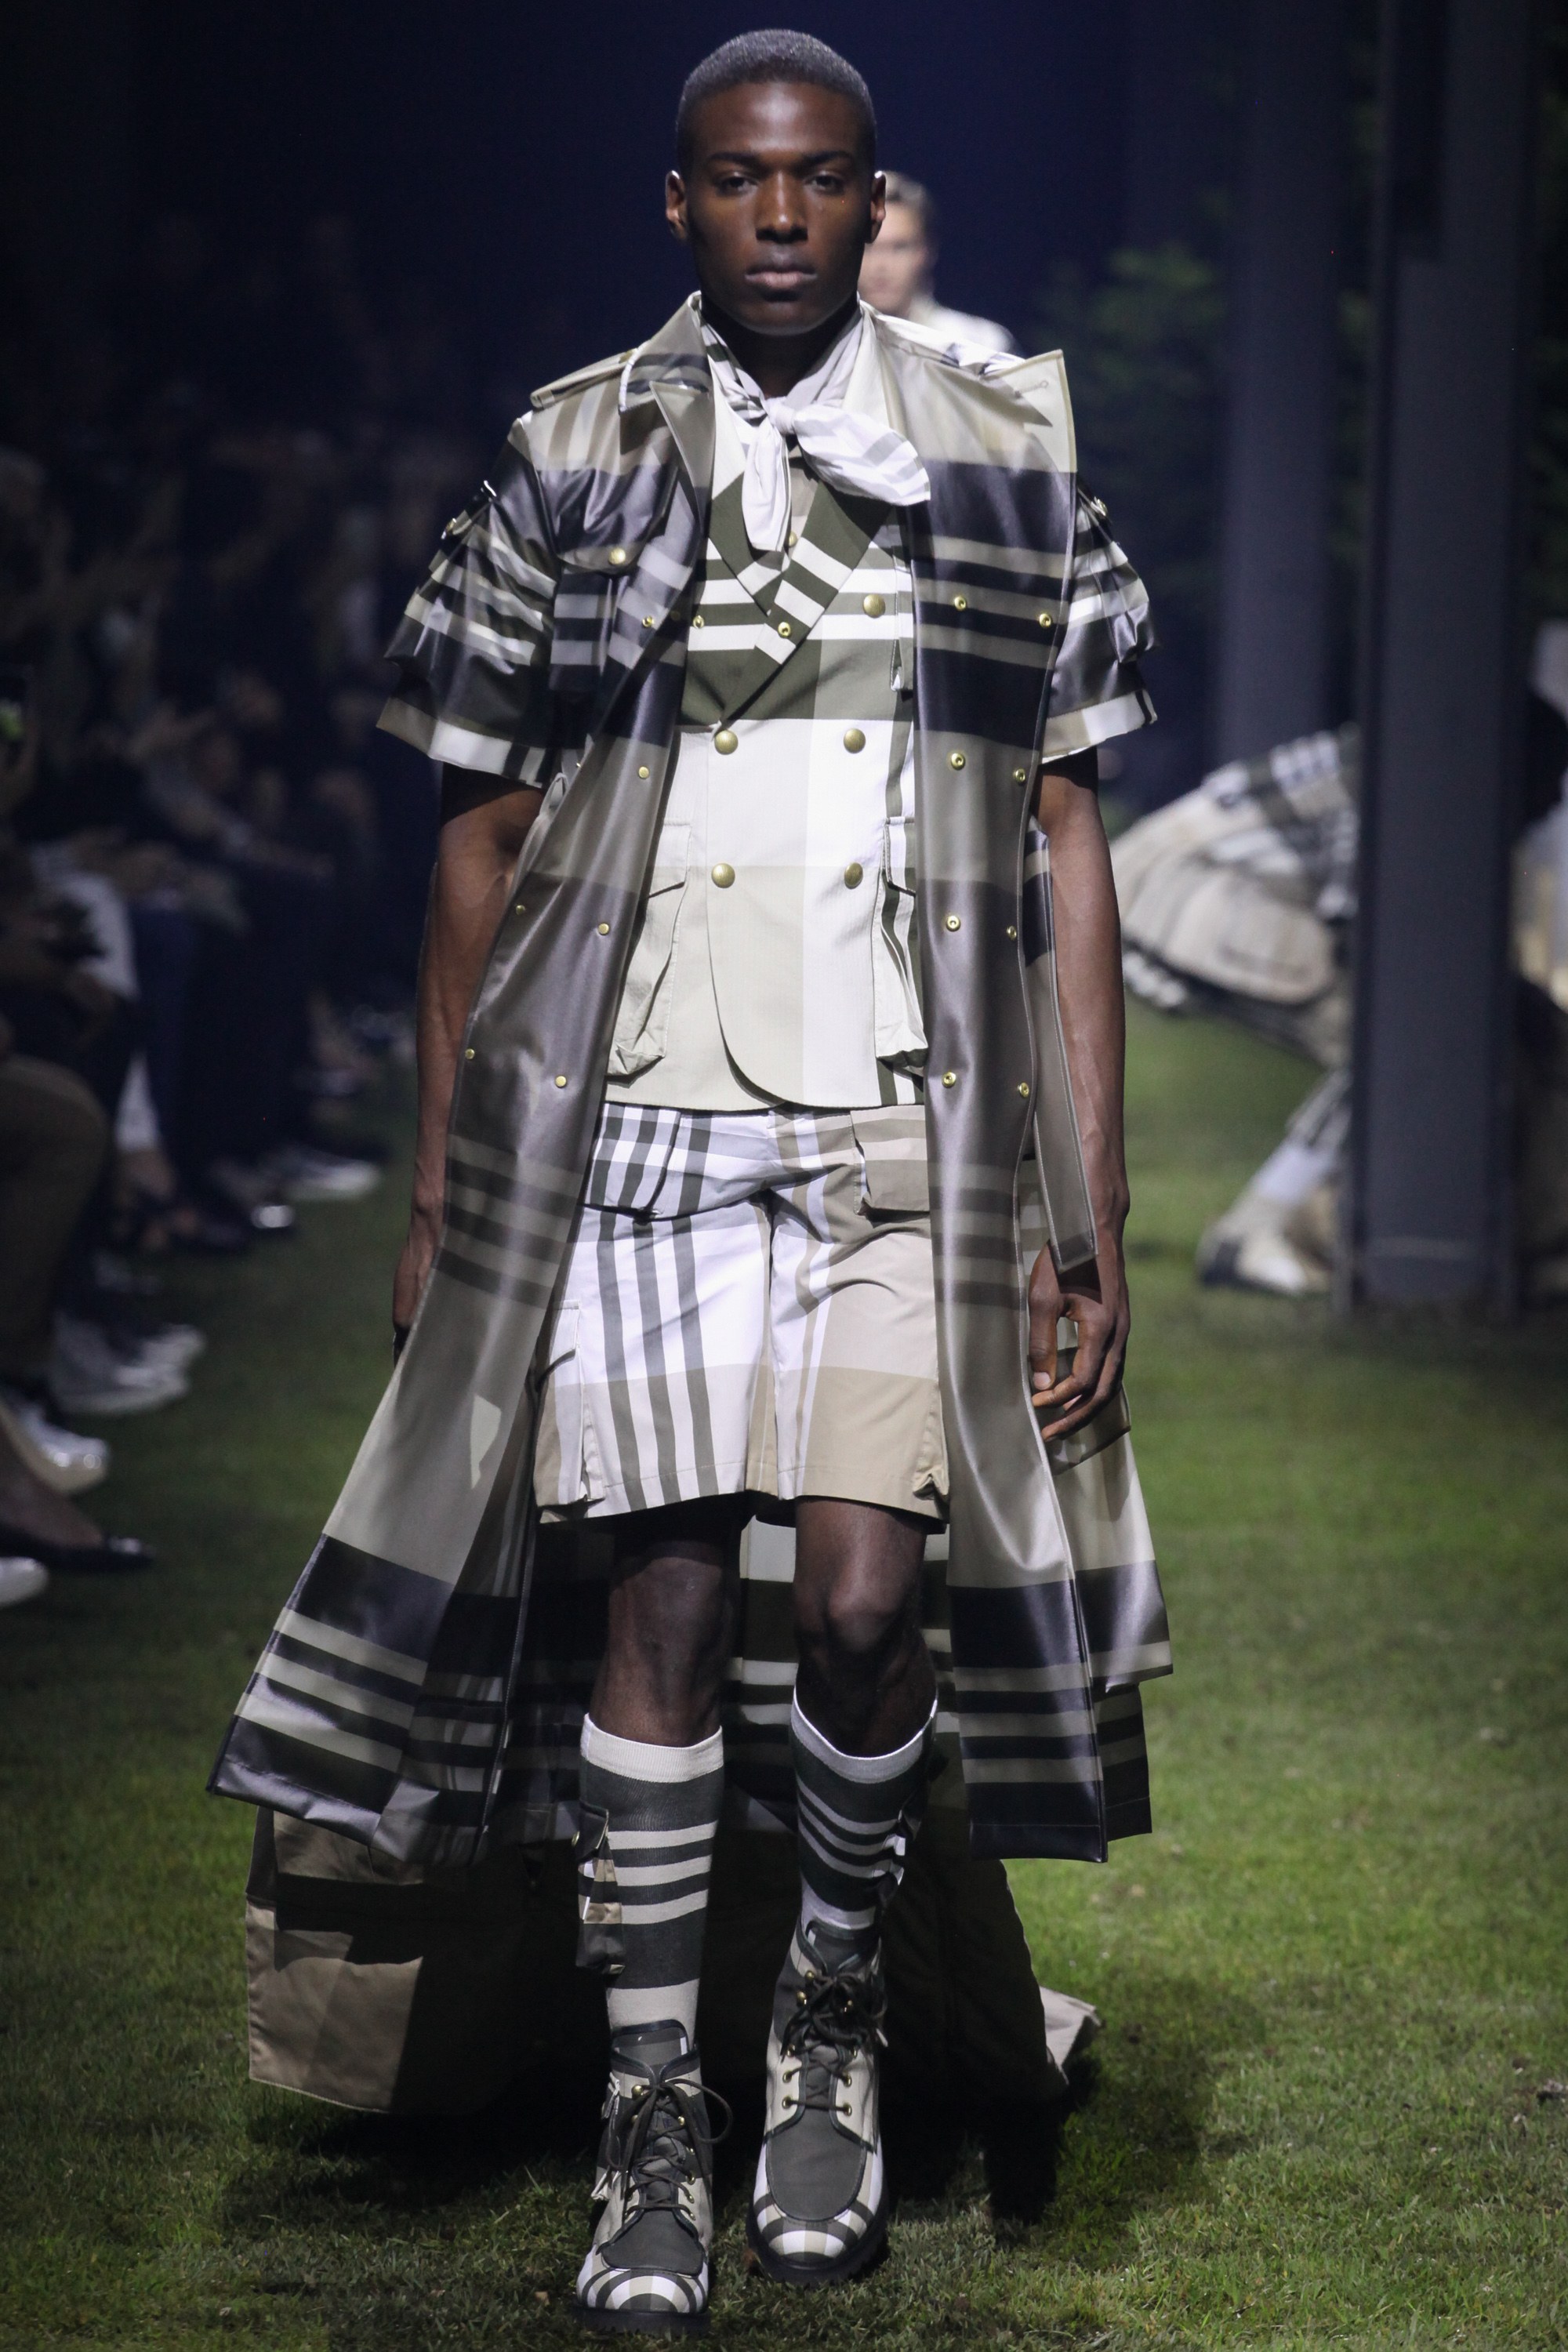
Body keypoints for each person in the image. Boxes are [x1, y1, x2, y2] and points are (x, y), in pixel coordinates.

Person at [212, 30, 1171, 2330]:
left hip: (896, 1113)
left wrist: (1089, 1213)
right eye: (738, 181)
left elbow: (1062, 832)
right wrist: (442, 1187)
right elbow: (472, 831)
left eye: (819, 181)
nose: (778, 216)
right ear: (678, 202)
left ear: (868, 201)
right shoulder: (567, 451)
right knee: (647, 1611)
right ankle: (653, 2112)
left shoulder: (999, 454)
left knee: (855, 1606)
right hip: (638, 1115)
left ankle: (822, 2032)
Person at [857, 169, 1015, 356]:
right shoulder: (828, 350)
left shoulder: (981, 347)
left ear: (926, 252)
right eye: (868, 247)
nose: (881, 265)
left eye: (899, 247)